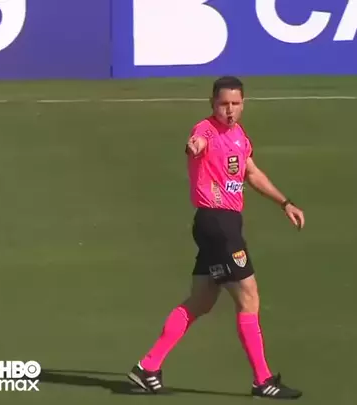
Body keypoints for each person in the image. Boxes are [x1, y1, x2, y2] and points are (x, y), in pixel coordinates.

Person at [127, 76, 305, 399]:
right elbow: (196, 142)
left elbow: (252, 173)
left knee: (201, 301)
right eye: (224, 104)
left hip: (219, 226)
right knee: (249, 297)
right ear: (212, 103)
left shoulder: (239, 137)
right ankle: (263, 380)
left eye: (235, 104)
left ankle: (148, 367)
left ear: (243, 104)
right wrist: (193, 146)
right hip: (217, 223)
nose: (230, 110)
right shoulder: (205, 130)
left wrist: (285, 203)